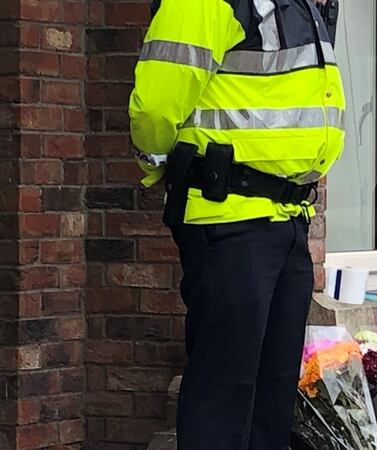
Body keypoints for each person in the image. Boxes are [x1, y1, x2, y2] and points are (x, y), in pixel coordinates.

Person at [128, 0, 344, 448]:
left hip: (286, 220)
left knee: (271, 402)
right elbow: (155, 109)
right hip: (230, 217)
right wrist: (166, 167)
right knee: (224, 397)